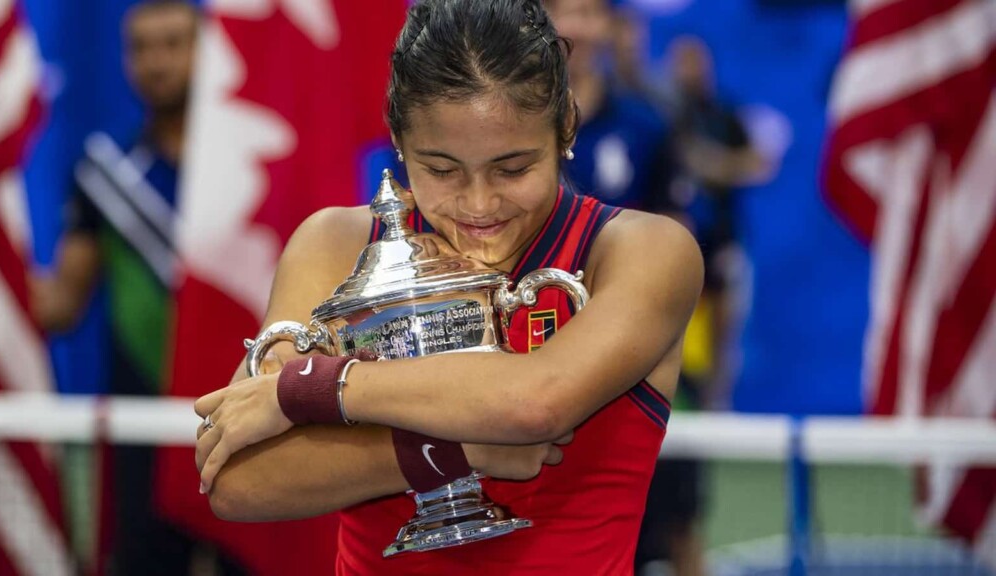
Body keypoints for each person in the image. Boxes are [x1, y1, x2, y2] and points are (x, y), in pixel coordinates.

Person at [193, 1, 703, 574]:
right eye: (441, 170)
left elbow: (537, 403)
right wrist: (451, 452)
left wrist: (307, 387)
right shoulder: (335, 244)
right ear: (398, 140)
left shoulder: (641, 250)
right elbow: (235, 480)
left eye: (512, 169)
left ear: (566, 126)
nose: (479, 203)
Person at [32, 2, 242, 574]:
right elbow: (60, 306)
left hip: (245, 415)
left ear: (209, 51)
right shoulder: (106, 175)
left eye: (174, 43)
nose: (156, 62)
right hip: (143, 431)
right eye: (141, 47)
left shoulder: (257, 167)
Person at [543, 0, 675, 213]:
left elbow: (671, 221)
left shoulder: (646, 125)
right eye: (565, 14)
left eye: (589, 14)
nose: (578, 29)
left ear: (609, 25)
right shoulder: (516, 122)